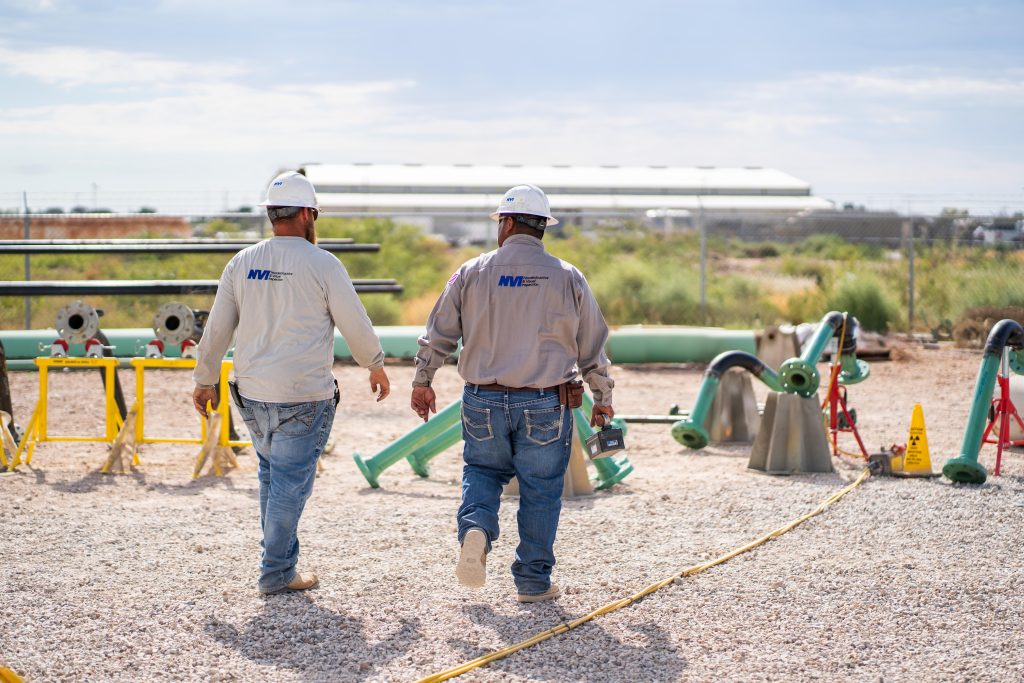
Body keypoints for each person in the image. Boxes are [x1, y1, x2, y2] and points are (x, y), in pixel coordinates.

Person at [411, 184, 614, 603]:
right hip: (545, 402)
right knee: (540, 490)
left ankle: (476, 532)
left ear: (505, 223)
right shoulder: (569, 276)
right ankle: (533, 582)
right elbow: (592, 344)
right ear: (543, 227)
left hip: (482, 399)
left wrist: (423, 380)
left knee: (482, 473)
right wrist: (603, 396)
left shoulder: (471, 272)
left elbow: (439, 333)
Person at [192, 170, 390, 595]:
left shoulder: (242, 262)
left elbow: (218, 329)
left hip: (252, 394)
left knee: (271, 475)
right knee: (288, 483)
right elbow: (354, 322)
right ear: (306, 213)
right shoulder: (323, 264)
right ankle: (276, 572)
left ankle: (279, 563)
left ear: (271, 214)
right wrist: (373, 363)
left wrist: (205, 378)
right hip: (303, 396)